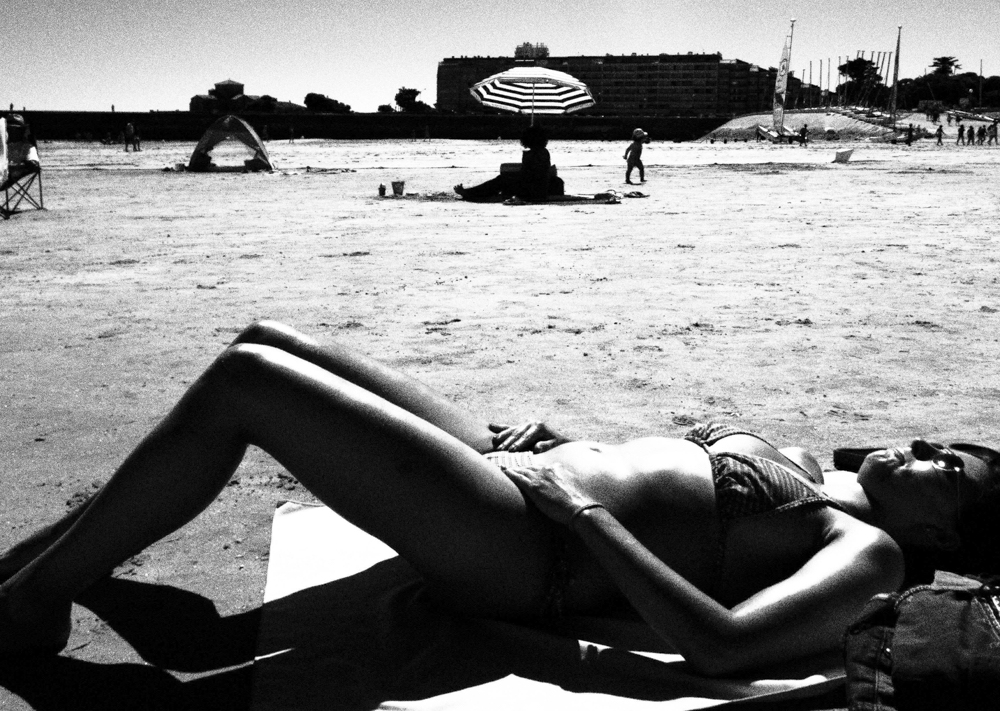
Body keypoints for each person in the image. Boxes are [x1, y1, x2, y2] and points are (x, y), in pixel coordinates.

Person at [2, 321, 999, 675]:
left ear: (941, 530)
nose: (919, 445)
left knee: (247, 384)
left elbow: (726, 646)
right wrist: (571, 450)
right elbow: (678, 482)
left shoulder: (863, 553)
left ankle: (37, 596)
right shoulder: (821, 475)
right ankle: (32, 573)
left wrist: (584, 513)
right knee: (271, 338)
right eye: (937, 441)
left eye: (945, 467)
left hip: (533, 546)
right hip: (523, 473)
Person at [454, 125, 562, 203]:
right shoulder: (543, 152)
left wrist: (512, 175)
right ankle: (472, 192)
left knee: (501, 180)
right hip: (537, 187)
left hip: (531, 190)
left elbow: (528, 175)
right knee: (503, 179)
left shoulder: (534, 154)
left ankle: (470, 193)